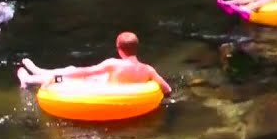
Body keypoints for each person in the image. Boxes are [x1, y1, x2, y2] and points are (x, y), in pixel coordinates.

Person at [16, 31, 173, 94]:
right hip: (118, 90)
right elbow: (167, 90)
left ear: (119, 49)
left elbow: (86, 72)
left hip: (104, 93)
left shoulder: (113, 63)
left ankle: (30, 78)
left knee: (67, 75)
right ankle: (38, 70)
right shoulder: (148, 70)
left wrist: (70, 73)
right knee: (82, 74)